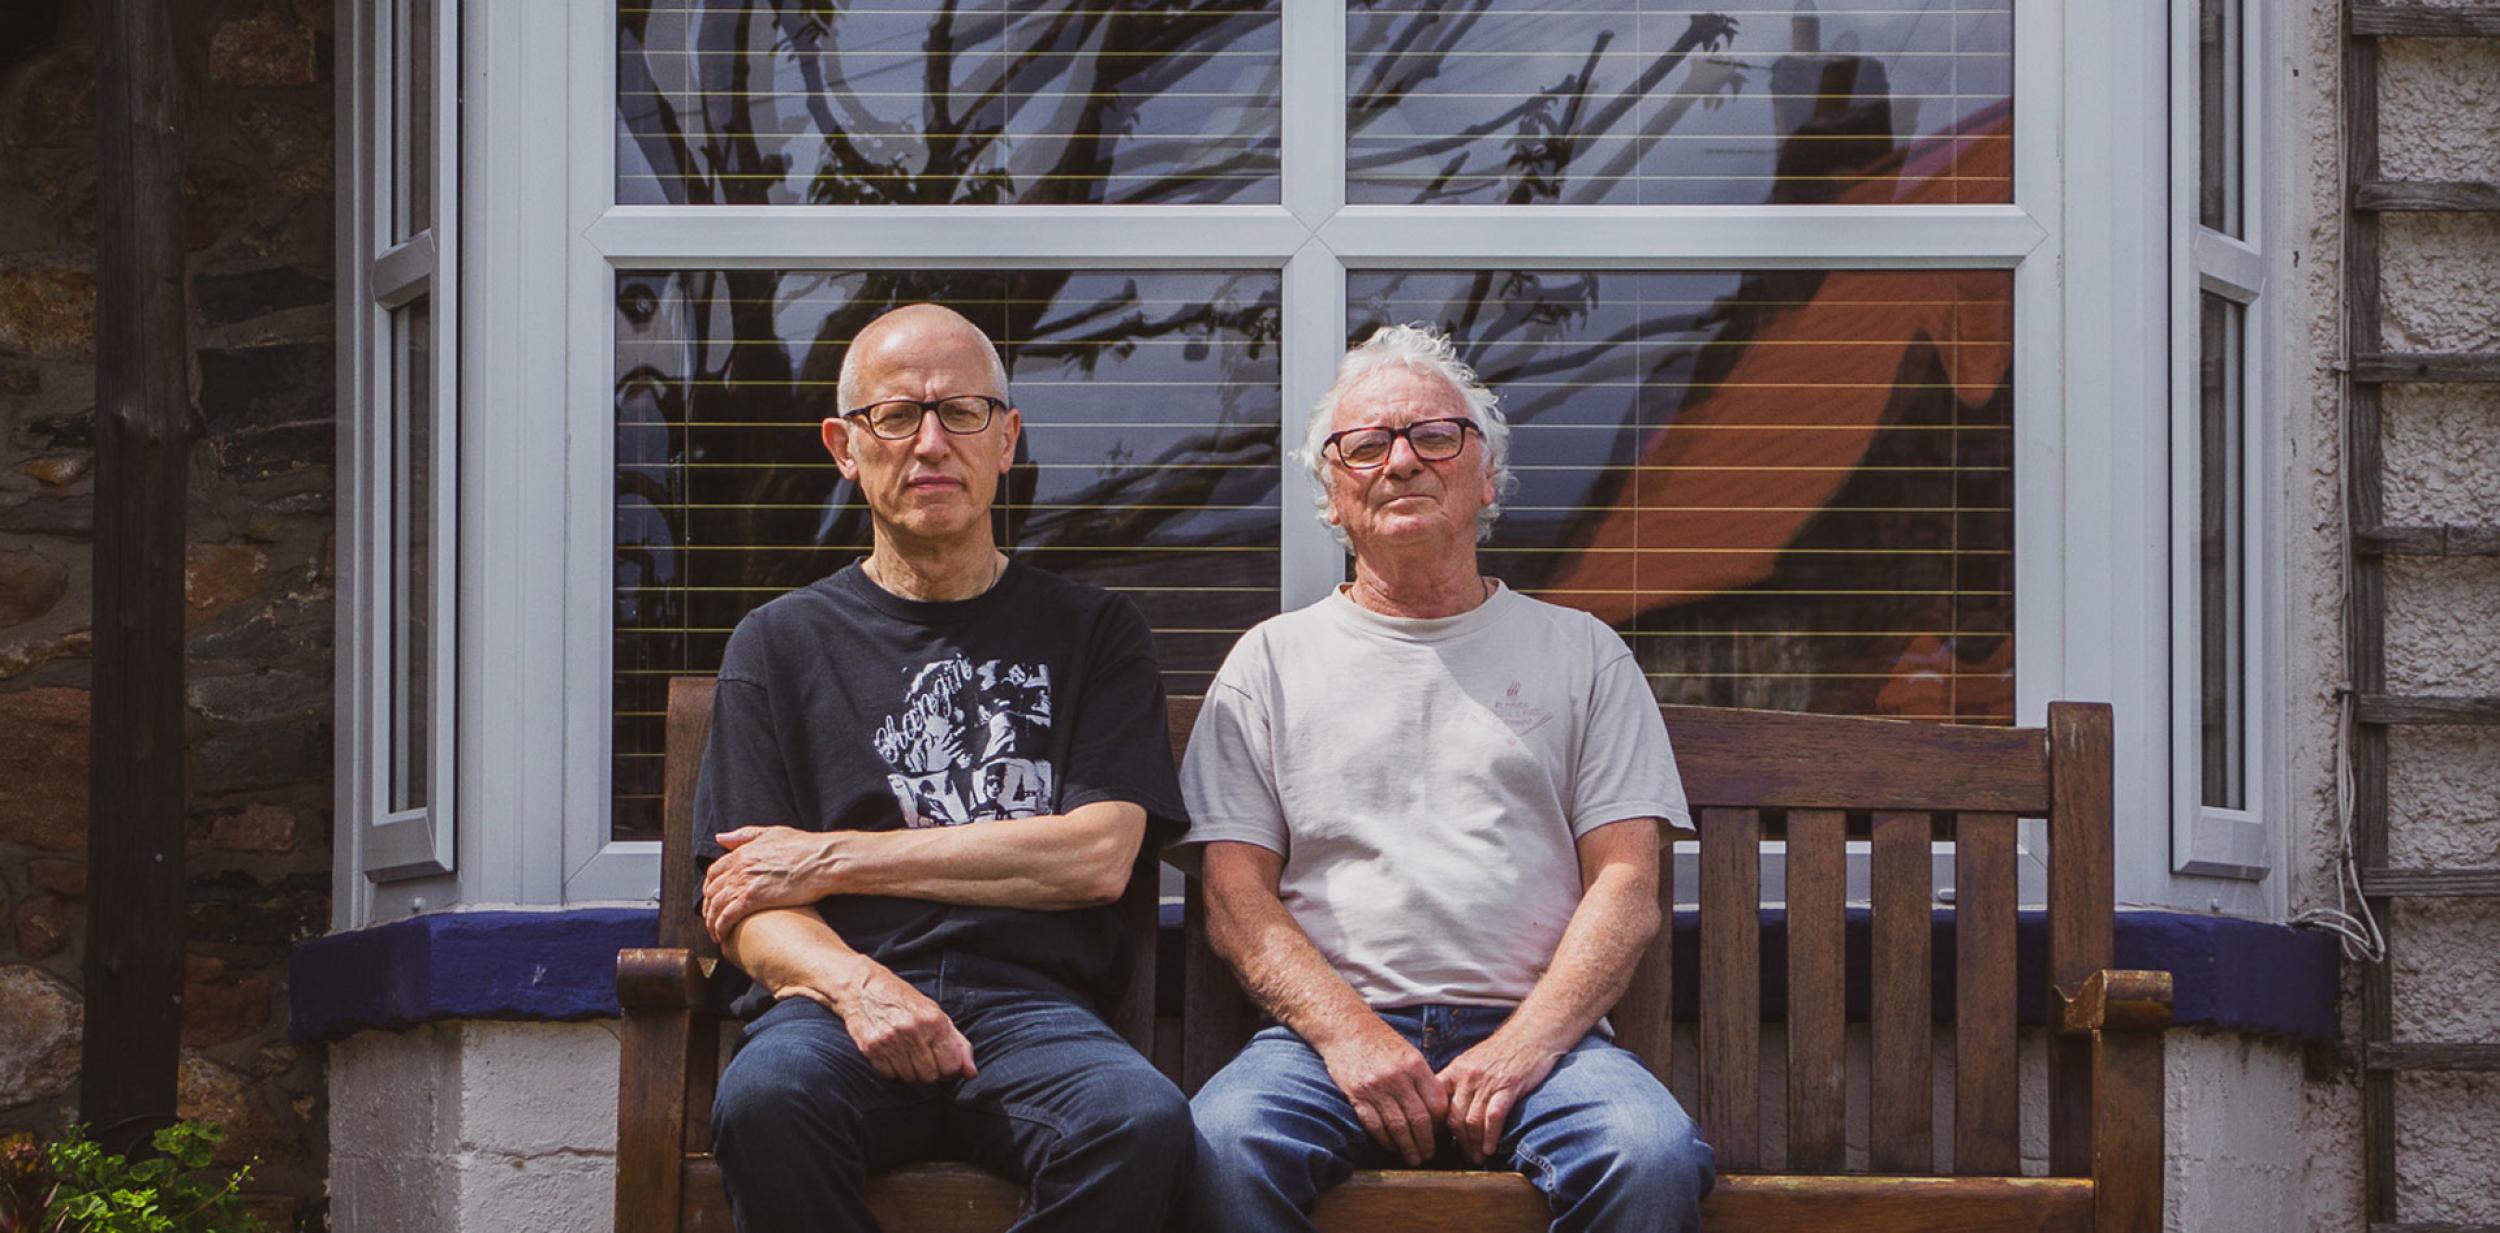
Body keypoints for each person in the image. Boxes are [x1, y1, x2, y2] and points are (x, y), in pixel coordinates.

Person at [1178, 325, 1716, 1233]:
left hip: (1541, 1038)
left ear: (1487, 478)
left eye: (1435, 436)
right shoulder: (1269, 662)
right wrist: (1350, 1036)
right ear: (1331, 499)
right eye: (1366, 444)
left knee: (1648, 1156)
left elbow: (1626, 886)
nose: (1401, 462)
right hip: (1321, 1042)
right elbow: (1235, 894)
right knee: (1218, 1148)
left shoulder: (1582, 651)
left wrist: (1522, 1048)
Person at [695, 304, 1193, 1233]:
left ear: (1006, 440)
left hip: (1033, 1012)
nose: (931, 443)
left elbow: (1096, 857)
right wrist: (860, 987)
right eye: (896, 416)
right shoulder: (780, 643)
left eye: (961, 413)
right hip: (835, 1008)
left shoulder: (1094, 633)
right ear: (844, 446)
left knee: (1139, 1122)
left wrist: (832, 858)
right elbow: (750, 905)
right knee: (765, 1103)